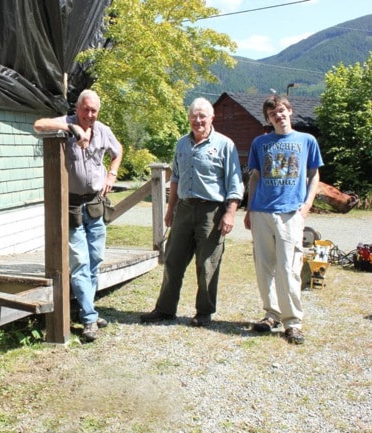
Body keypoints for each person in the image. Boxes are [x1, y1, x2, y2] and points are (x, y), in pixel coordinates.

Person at [140, 97, 243, 327]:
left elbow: (235, 182)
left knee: (207, 264)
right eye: (194, 116)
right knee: (172, 260)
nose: (198, 120)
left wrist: (230, 212)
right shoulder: (181, 144)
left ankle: (204, 312)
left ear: (211, 118)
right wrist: (170, 209)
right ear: (189, 118)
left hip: (212, 211)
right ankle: (165, 310)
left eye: (202, 116)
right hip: (184, 209)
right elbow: (175, 177)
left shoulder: (225, 145)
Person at [34, 89, 123, 342]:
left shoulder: (104, 130)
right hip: (72, 207)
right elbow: (38, 124)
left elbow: (118, 151)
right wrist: (73, 130)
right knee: (80, 262)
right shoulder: (68, 123)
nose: (90, 115)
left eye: (94, 110)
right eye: (86, 109)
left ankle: (88, 311)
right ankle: (89, 319)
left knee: (96, 259)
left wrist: (111, 174)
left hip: (95, 205)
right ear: (77, 108)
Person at [244, 94, 323, 345]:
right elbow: (255, 176)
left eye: (281, 111)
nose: (278, 116)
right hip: (261, 211)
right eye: (272, 114)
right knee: (264, 266)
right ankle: (271, 315)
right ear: (268, 118)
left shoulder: (306, 141)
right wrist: (249, 208)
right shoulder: (260, 142)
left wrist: (307, 205)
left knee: (288, 268)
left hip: (291, 212)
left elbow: (314, 175)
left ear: (290, 111)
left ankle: (293, 322)